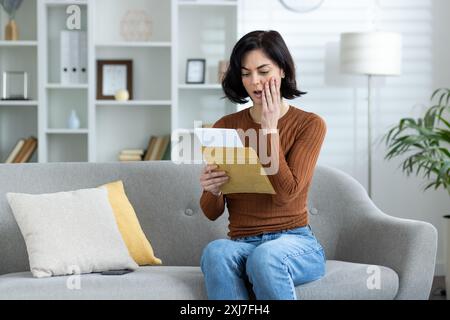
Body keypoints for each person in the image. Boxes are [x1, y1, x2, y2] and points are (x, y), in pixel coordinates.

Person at [199, 30, 327, 300]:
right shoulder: (226, 126)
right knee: (216, 252)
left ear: (282, 70)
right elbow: (211, 213)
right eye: (246, 74)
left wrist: (270, 131)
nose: (255, 82)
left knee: (266, 257)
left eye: (263, 71)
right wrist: (213, 190)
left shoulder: (310, 124)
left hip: (295, 242)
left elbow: (285, 195)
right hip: (243, 243)